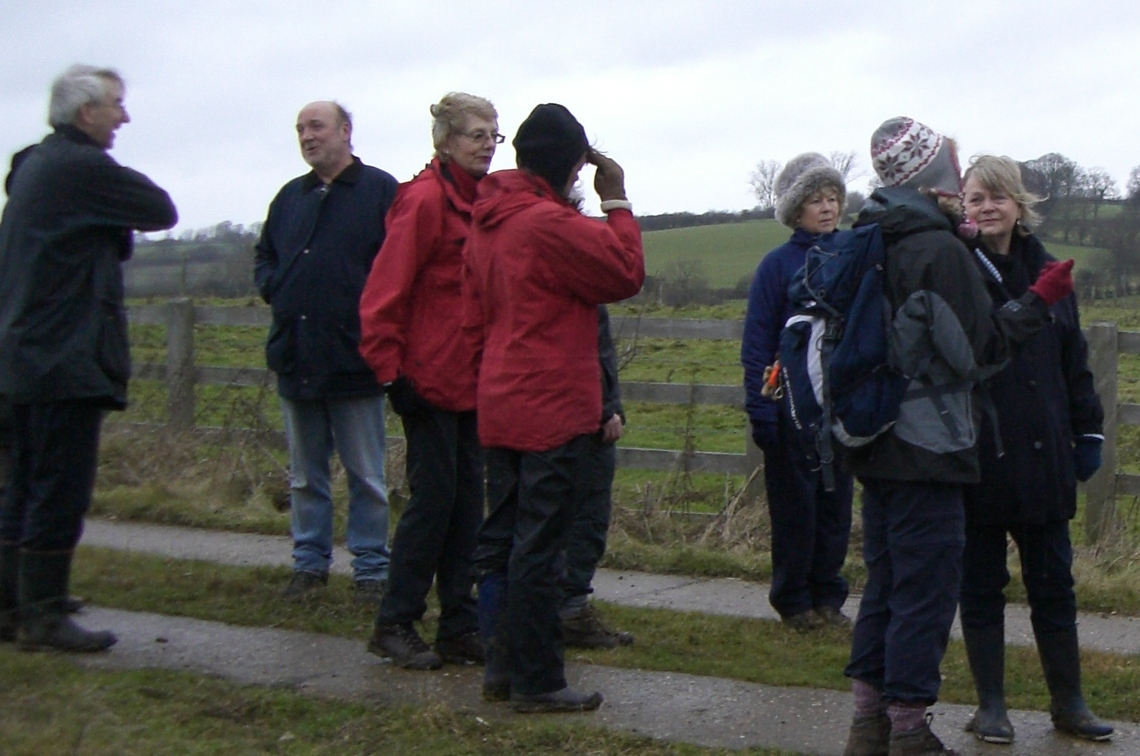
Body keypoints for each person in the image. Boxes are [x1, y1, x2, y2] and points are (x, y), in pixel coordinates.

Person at [840, 118, 1074, 756]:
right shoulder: (937, 252)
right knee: (924, 591)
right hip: (928, 445)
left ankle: (869, 724)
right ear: (930, 173)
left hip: (874, 441)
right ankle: (910, 730)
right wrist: (1037, 301)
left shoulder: (874, 233)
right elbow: (980, 350)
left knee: (885, 585)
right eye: (951, 159)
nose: (957, 167)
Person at [465, 104, 644, 713]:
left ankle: (501, 663)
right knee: (541, 545)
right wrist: (616, 200)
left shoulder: (488, 220)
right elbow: (623, 271)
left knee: (504, 536)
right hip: (551, 404)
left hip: (501, 398)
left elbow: (473, 309)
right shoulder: (545, 223)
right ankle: (538, 680)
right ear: (573, 164)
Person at [0, 64, 177, 651]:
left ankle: (13, 604)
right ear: (85, 114)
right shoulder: (80, 167)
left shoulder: (34, 167)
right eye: (116, 105)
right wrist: (110, 221)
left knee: (22, 483)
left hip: (23, 355)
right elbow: (158, 208)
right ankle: (45, 615)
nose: (124, 117)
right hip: (63, 358)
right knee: (59, 488)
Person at [958, 155, 1112, 744]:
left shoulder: (1052, 272)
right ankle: (991, 705)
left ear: (1020, 204)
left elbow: (1077, 365)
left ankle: (1069, 702)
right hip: (980, 452)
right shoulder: (958, 268)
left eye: (997, 197)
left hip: (1046, 453)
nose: (987, 207)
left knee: (1054, 586)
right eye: (975, 198)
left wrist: (1088, 431)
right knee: (981, 587)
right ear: (963, 207)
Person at [358, 92, 497, 670]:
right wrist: (389, 372)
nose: (487, 145)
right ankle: (395, 620)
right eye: (476, 135)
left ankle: (458, 624)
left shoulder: (484, 200)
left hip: (472, 378)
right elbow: (384, 292)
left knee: (468, 506)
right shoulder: (421, 202)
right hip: (427, 377)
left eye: (495, 135)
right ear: (444, 141)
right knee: (433, 502)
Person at [254, 101, 397, 603]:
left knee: (367, 476)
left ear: (345, 131)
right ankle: (308, 565)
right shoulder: (290, 198)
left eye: (316, 126)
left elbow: (400, 265)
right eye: (300, 128)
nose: (307, 136)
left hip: (356, 359)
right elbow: (265, 254)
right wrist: (276, 286)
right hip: (296, 355)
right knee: (305, 476)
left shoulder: (381, 191)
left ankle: (372, 570)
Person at [741, 152, 854, 632]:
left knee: (836, 506)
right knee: (796, 509)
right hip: (789, 407)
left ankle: (829, 596)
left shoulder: (852, 255)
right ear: (795, 209)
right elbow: (758, 341)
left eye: (832, 198)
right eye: (814, 200)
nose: (826, 208)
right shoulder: (777, 265)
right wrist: (761, 412)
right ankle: (794, 600)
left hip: (843, 408)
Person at [559, 305, 635, 649]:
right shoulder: (580, 278)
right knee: (586, 513)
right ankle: (570, 609)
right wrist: (606, 407)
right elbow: (589, 347)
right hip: (581, 411)